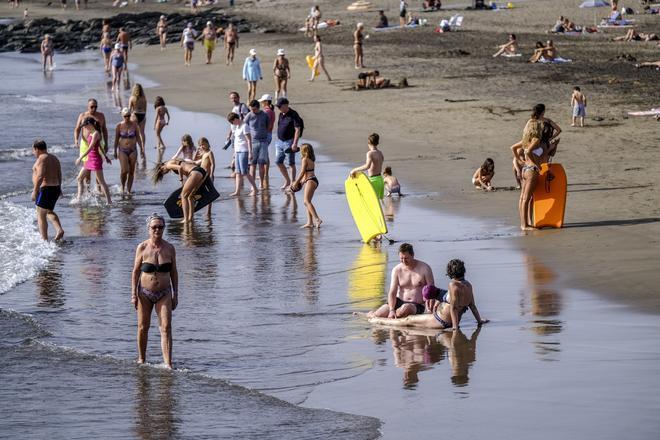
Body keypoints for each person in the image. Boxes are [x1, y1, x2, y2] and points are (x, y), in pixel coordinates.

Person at [369, 259, 488, 330]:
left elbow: (453, 307)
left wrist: (455, 327)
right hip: (445, 320)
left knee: (408, 320)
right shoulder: (468, 285)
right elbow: (472, 305)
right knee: (409, 319)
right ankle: (379, 319)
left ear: (450, 273)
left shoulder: (453, 285)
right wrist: (479, 321)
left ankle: (378, 321)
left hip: (440, 321)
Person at [132, 213, 178, 368]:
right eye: (154, 227)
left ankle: (168, 364)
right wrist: (133, 294)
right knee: (143, 326)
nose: (157, 230)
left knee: (166, 327)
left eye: (160, 227)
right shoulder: (142, 247)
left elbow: (174, 272)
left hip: (164, 293)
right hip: (144, 293)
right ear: (148, 229)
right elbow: (136, 271)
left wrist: (175, 294)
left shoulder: (170, 248)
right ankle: (142, 358)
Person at [367, 243, 434, 318]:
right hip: (398, 301)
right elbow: (392, 292)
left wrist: (429, 309)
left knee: (405, 309)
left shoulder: (425, 268)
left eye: (406, 258)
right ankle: (369, 314)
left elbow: (431, 291)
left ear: (412, 255)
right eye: (401, 258)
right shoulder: (397, 270)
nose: (404, 261)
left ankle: (394, 317)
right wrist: (391, 309)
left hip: (416, 304)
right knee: (377, 315)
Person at [515, 104, 545, 230]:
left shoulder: (526, 140)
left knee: (523, 198)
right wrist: (536, 164)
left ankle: (525, 223)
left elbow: (513, 148)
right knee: (527, 198)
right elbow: (528, 152)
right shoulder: (536, 140)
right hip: (531, 171)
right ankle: (524, 225)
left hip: (524, 170)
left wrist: (519, 160)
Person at [31, 139, 64, 241]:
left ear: (37, 149)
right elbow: (59, 174)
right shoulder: (54, 158)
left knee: (40, 214)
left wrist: (35, 191)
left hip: (46, 189)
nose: (33, 153)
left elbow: (40, 175)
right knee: (49, 211)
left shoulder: (42, 158)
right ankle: (59, 229)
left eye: (33, 150)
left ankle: (44, 240)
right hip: (55, 188)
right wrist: (60, 188)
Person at [74, 99, 109, 193]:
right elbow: (77, 129)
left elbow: (104, 130)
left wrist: (106, 143)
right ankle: (88, 191)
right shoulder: (83, 116)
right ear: (87, 106)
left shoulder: (100, 116)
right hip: (85, 144)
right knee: (87, 169)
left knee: (98, 168)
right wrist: (76, 140)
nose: (94, 108)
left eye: (95, 107)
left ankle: (99, 190)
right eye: (92, 107)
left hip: (98, 143)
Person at [76, 117, 112, 204]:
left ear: (90, 124)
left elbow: (91, 147)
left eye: (85, 125)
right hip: (89, 159)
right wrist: (106, 157)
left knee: (101, 181)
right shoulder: (91, 133)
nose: (84, 127)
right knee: (79, 179)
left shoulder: (96, 133)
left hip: (95, 160)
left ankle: (109, 201)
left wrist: (80, 157)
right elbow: (99, 146)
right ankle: (79, 199)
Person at [291, 143, 322, 229]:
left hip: (311, 180)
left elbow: (302, 172)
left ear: (304, 151)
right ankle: (310, 222)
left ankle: (317, 219)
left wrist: (296, 182)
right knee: (308, 201)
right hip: (312, 180)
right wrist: (301, 182)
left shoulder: (304, 159)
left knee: (306, 201)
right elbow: (307, 173)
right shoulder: (311, 159)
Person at [227, 112, 258, 196]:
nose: (232, 124)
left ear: (236, 119)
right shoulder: (237, 127)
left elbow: (249, 140)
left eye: (232, 121)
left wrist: (250, 152)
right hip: (237, 151)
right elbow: (237, 141)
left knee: (245, 172)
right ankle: (237, 191)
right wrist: (234, 153)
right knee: (238, 172)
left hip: (244, 151)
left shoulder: (245, 126)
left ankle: (255, 189)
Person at [275, 98, 304, 189]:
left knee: (291, 163)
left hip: (289, 142)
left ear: (286, 105)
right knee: (278, 161)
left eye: (280, 106)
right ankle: (287, 180)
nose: (279, 108)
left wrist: (295, 143)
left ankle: (292, 184)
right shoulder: (280, 114)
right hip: (280, 141)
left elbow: (297, 129)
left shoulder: (293, 114)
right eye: (278, 107)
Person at [114, 107, 143, 195]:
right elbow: (116, 139)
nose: (127, 118)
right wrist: (115, 151)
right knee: (124, 170)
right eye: (125, 116)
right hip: (122, 150)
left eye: (128, 116)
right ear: (122, 116)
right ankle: (122, 187)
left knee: (131, 171)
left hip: (133, 150)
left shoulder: (134, 125)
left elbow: (138, 137)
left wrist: (142, 148)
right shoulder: (119, 126)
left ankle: (129, 190)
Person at [244, 100, 271, 189]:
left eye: (254, 109)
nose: (253, 111)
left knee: (261, 163)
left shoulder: (265, 115)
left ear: (258, 107)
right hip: (253, 142)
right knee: (252, 164)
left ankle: (261, 183)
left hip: (263, 141)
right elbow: (244, 126)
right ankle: (253, 185)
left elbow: (268, 126)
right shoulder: (249, 115)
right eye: (251, 109)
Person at [349, 133, 385, 199]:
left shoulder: (370, 153)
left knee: (365, 199)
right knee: (379, 204)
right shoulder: (380, 153)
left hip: (373, 181)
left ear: (369, 143)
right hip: (380, 180)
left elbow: (367, 166)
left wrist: (354, 170)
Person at [259, 93, 276, 186]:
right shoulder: (270, 111)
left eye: (262, 101)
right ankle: (266, 174)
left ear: (266, 102)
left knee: (264, 155)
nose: (261, 103)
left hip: (266, 135)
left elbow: (267, 124)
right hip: (268, 134)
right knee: (265, 154)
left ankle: (265, 174)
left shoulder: (267, 111)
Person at [128, 84, 147, 157]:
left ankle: (134, 147)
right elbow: (145, 109)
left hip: (135, 114)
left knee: (135, 132)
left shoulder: (132, 98)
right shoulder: (143, 98)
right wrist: (144, 116)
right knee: (142, 133)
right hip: (142, 114)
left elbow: (129, 109)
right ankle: (142, 148)